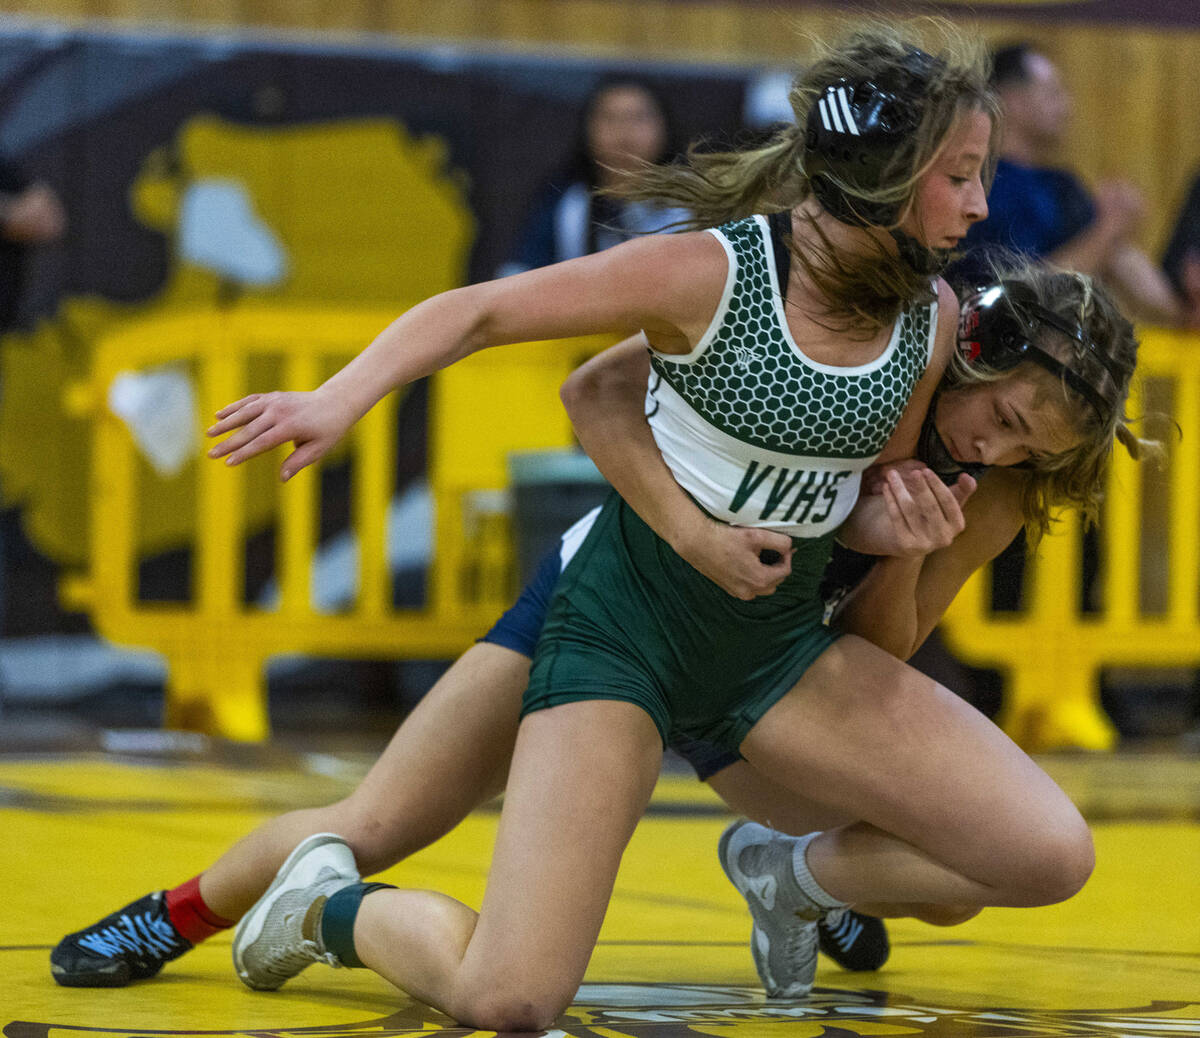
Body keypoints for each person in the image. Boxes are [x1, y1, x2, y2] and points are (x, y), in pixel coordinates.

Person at [53, 26, 1110, 1025]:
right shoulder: (720, 273)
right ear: (884, 176)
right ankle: (231, 909)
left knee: (1034, 853)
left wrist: (891, 539)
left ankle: (789, 875)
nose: (982, 204)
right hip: (617, 610)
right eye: (962, 173)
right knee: (393, 842)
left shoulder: (924, 322)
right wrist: (338, 398)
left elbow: (871, 554)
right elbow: (508, 333)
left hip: (770, 649)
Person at [951, 43, 1197, 329]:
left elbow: (1119, 258)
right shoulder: (984, 184)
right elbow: (1022, 291)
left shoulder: (1063, 183)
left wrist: (1183, 312)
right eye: (1053, 93)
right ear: (1012, 100)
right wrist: (1110, 227)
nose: (1066, 105)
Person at [495, 75, 689, 277]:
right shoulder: (566, 202)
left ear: (664, 125)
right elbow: (516, 273)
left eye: (639, 118)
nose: (624, 133)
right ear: (587, 128)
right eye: (609, 118)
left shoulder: (691, 205)